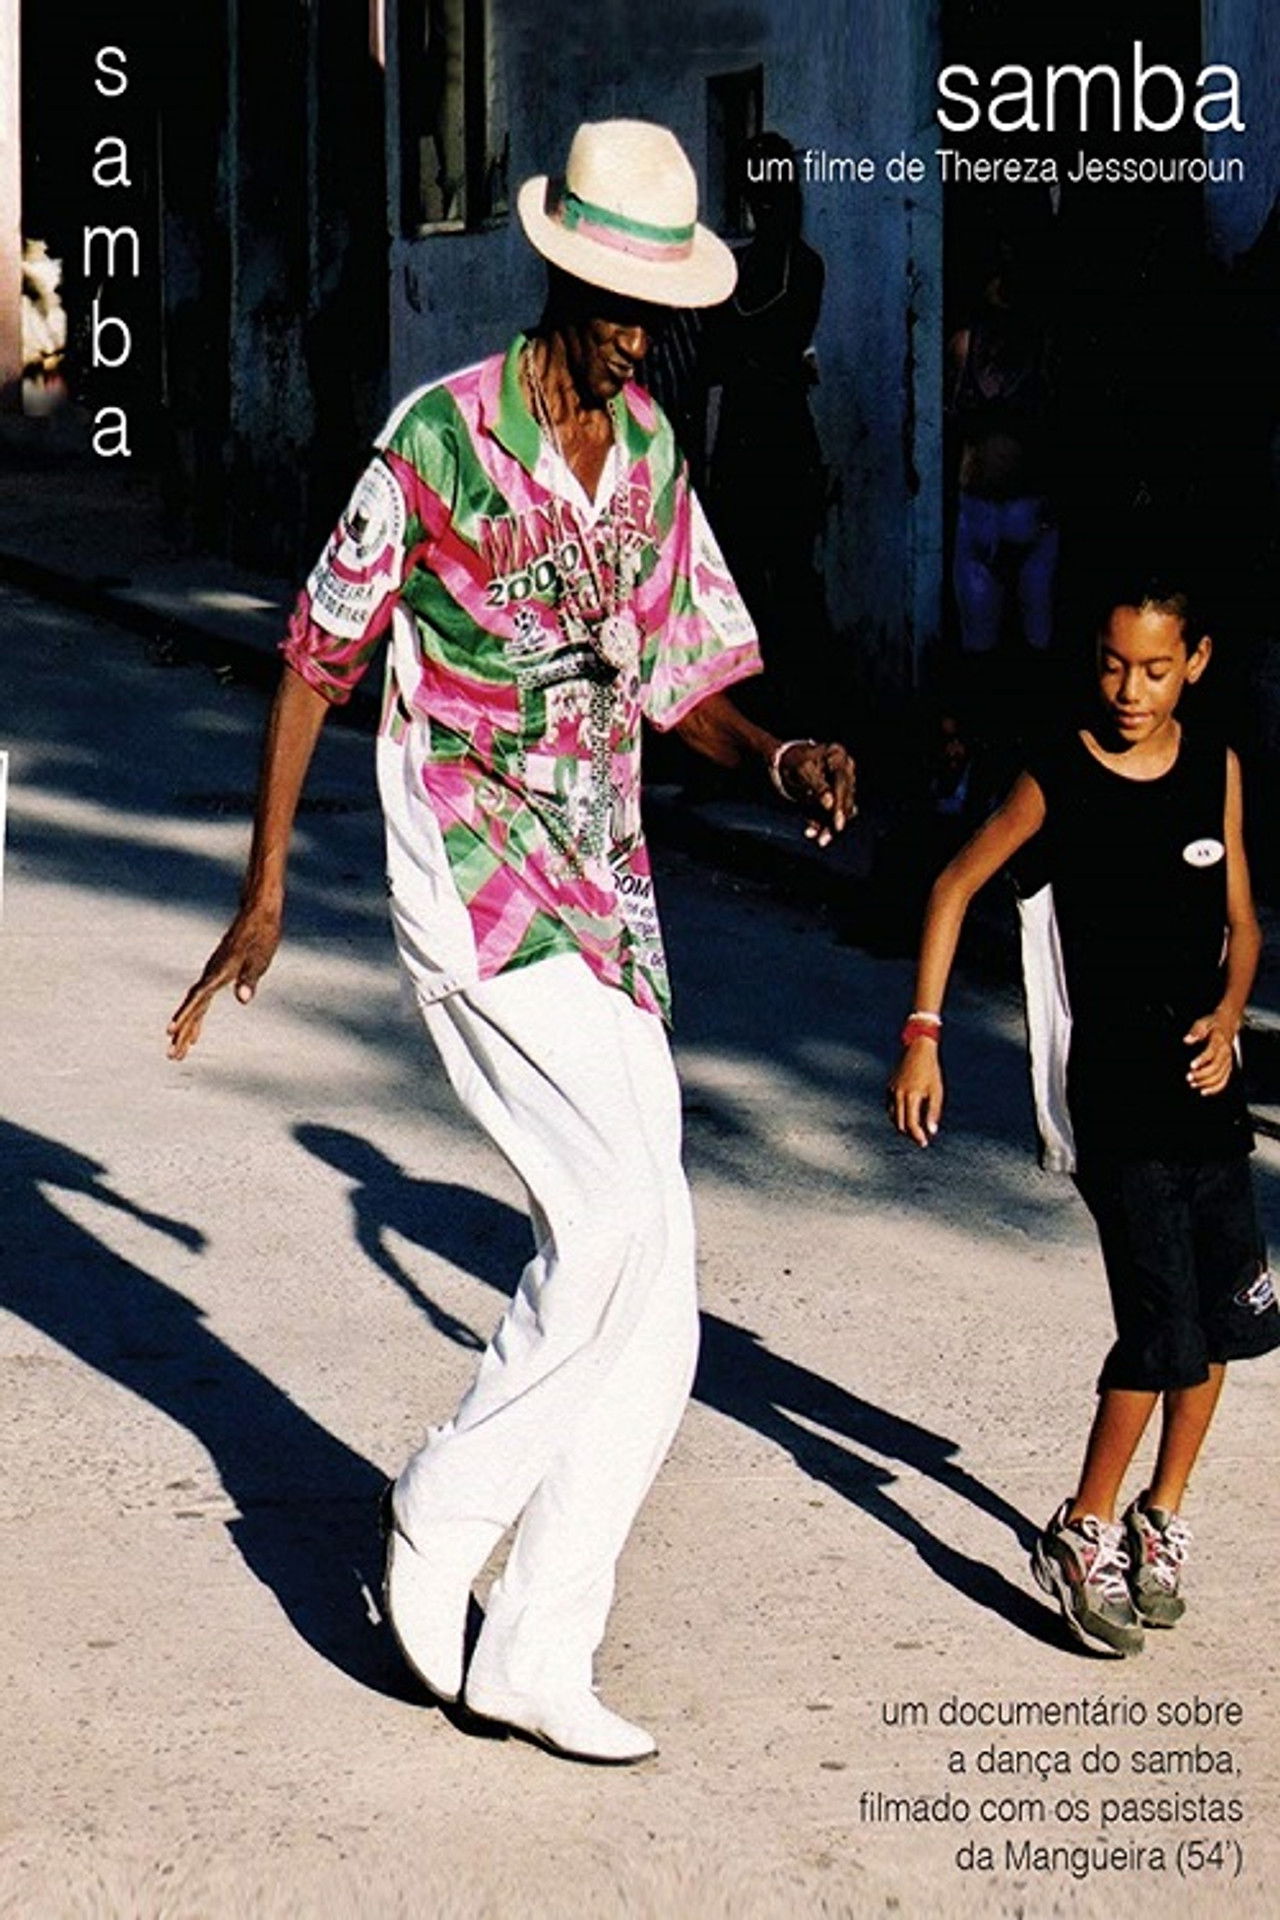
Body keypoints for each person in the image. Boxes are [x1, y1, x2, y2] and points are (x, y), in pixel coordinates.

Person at [168, 119, 856, 1763]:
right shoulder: (438, 439)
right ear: (561, 276)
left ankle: (542, 1645)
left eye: (655, 312)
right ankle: (446, 1501)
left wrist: (777, 756)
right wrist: (265, 886)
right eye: (615, 304)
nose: (635, 336)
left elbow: (682, 678)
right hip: (472, 877)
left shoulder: (652, 455)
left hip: (604, 890)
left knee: (664, 1294)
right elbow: (317, 658)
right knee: (608, 1216)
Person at [887, 564, 1279, 1658]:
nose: (1129, 689)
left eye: (1153, 669)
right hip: (1112, 1099)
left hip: (1208, 1094)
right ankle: (1081, 1527)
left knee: (1225, 1326)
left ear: (1193, 663)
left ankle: (1159, 1516)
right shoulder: (1058, 773)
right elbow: (953, 887)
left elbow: (1243, 922)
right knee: (1159, 1332)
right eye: (1112, 665)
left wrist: (1230, 1011)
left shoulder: (1215, 767)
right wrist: (923, 1035)